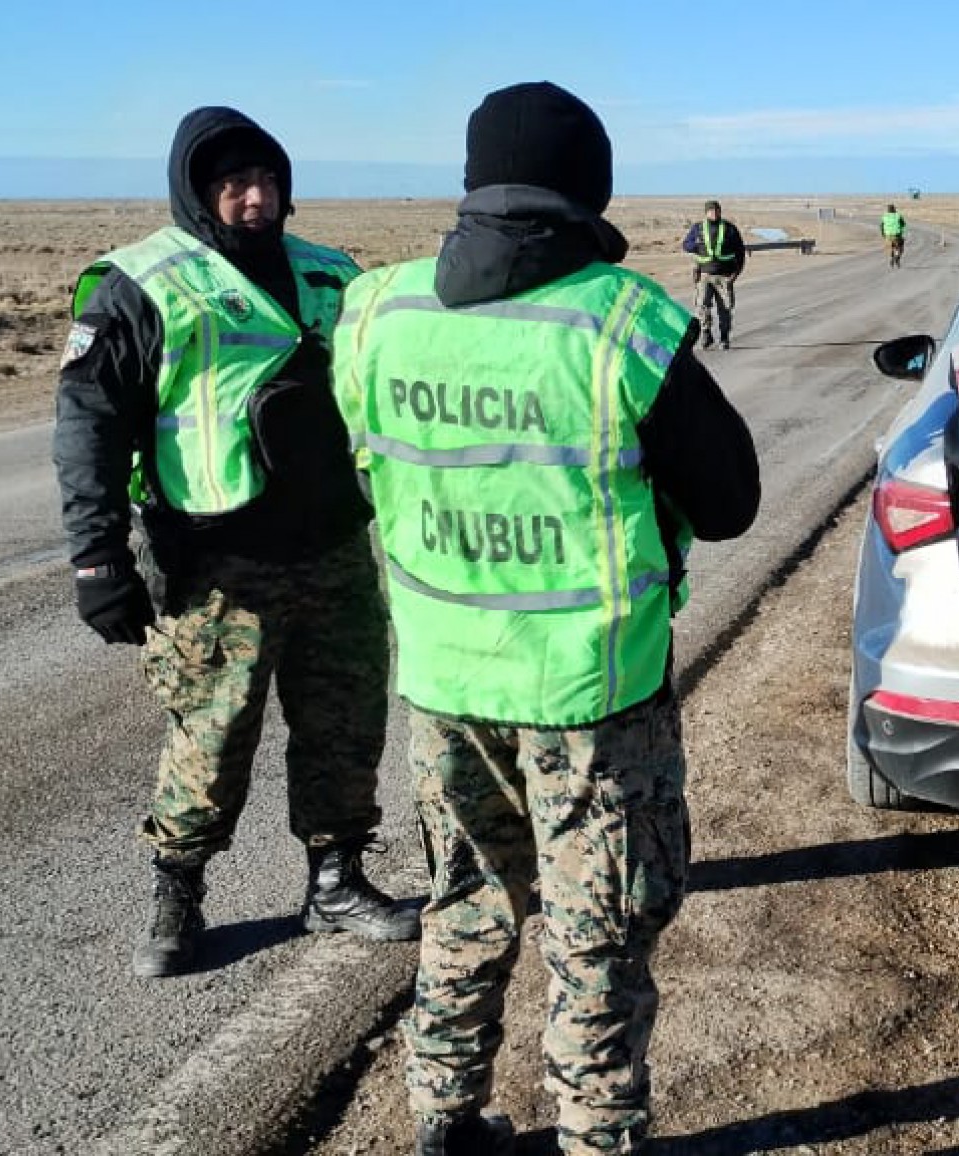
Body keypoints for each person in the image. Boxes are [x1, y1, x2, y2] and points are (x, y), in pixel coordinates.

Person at [334, 81, 761, 1156]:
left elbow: (358, 472)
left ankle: (441, 1118)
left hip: (443, 677)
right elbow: (732, 501)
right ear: (589, 188)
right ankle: (597, 1138)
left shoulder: (377, 311)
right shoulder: (621, 320)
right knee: (599, 929)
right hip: (588, 699)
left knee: (466, 901)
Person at [53, 106, 415, 980]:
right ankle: (177, 895)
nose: (255, 199)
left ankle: (336, 880)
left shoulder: (330, 274)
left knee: (345, 725)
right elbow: (89, 426)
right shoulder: (140, 284)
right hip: (219, 568)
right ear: (197, 192)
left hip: (332, 549)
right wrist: (97, 555)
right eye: (233, 184)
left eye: (267, 181)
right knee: (210, 743)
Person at [680, 198, 745, 348]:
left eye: (716, 210)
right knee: (702, 306)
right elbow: (686, 245)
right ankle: (706, 333)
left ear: (720, 211)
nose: (714, 213)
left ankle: (724, 338)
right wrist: (696, 245)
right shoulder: (698, 228)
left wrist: (735, 274)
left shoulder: (730, 229)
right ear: (706, 213)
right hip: (704, 276)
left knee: (725, 309)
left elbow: (740, 252)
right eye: (710, 211)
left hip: (724, 276)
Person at [881, 202, 907, 268]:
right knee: (900, 248)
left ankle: (892, 257)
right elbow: (903, 224)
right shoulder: (898, 215)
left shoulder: (884, 216)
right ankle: (897, 258)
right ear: (894, 209)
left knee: (891, 247)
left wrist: (883, 234)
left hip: (888, 235)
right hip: (897, 235)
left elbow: (881, 225)